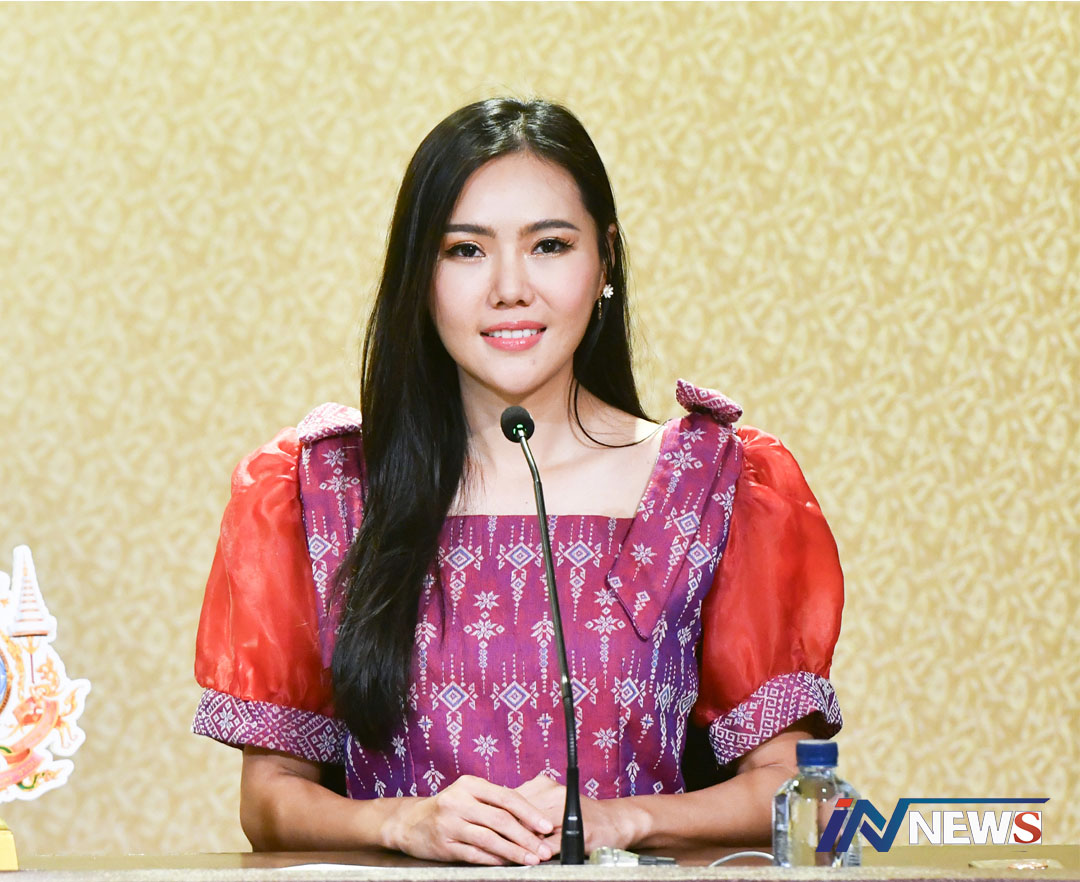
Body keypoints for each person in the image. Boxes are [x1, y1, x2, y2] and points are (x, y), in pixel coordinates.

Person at [192, 97, 845, 865]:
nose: (510, 288)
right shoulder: (323, 490)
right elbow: (269, 799)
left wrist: (619, 820)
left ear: (605, 261)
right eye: (465, 250)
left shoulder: (715, 482)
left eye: (550, 245)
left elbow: (786, 787)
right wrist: (404, 824)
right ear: (419, 273)